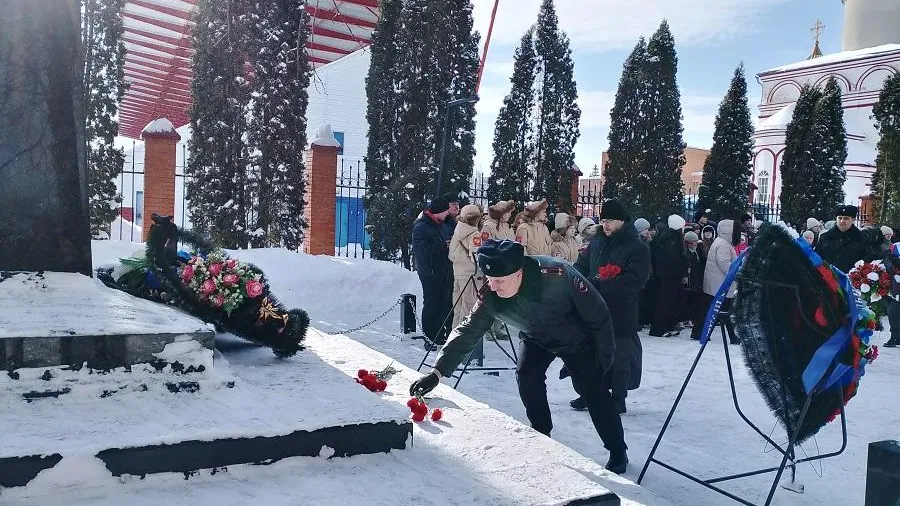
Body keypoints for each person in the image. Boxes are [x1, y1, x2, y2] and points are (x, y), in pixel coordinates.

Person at [409, 239, 629, 474]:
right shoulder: (491, 295)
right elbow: (467, 331)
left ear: (519, 273)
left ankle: (617, 450)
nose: (493, 286)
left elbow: (599, 314)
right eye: (490, 280)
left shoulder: (556, 275)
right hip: (537, 338)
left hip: (576, 338)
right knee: (526, 376)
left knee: (593, 390)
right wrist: (437, 373)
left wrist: (604, 359)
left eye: (500, 281)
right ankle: (542, 435)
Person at [572, 199, 650, 414]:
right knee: (590, 353)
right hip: (592, 307)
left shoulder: (636, 247)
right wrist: (574, 277)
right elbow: (583, 264)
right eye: (603, 220)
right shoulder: (597, 242)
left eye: (610, 221)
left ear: (622, 221)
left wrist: (604, 284)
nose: (605, 225)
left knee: (620, 356)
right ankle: (589, 393)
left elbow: (636, 279)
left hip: (621, 310)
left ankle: (618, 398)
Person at [412, 195, 454, 347]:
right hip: (430, 273)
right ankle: (429, 338)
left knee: (443, 304)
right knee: (431, 304)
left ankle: (438, 334)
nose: (447, 214)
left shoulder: (440, 224)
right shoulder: (421, 227)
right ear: (438, 211)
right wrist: (445, 245)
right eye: (445, 211)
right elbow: (423, 251)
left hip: (444, 271)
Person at [649, 214, 688, 337]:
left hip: (664, 274)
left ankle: (664, 326)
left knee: (665, 301)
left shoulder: (665, 237)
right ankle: (660, 328)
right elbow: (675, 259)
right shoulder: (674, 239)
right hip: (671, 276)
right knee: (666, 302)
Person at [703, 219, 740, 344]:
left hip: (717, 283)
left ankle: (701, 332)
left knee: (716, 310)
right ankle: (732, 337)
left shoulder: (721, 242)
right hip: (720, 284)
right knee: (724, 311)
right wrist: (737, 269)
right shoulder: (724, 244)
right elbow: (724, 264)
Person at [814, 205, 878, 273]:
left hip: (850, 280)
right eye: (840, 218)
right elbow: (816, 259)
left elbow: (869, 260)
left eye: (846, 218)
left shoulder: (860, 239)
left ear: (853, 220)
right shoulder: (825, 237)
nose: (842, 221)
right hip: (828, 279)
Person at [683, 231, 708, 340]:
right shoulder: (686, 252)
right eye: (692, 242)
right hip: (690, 278)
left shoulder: (698, 250)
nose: (694, 244)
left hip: (696, 278)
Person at [884, 242, 900, 348]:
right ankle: (895, 336)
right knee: (893, 310)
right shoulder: (896, 246)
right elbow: (887, 261)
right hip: (896, 283)